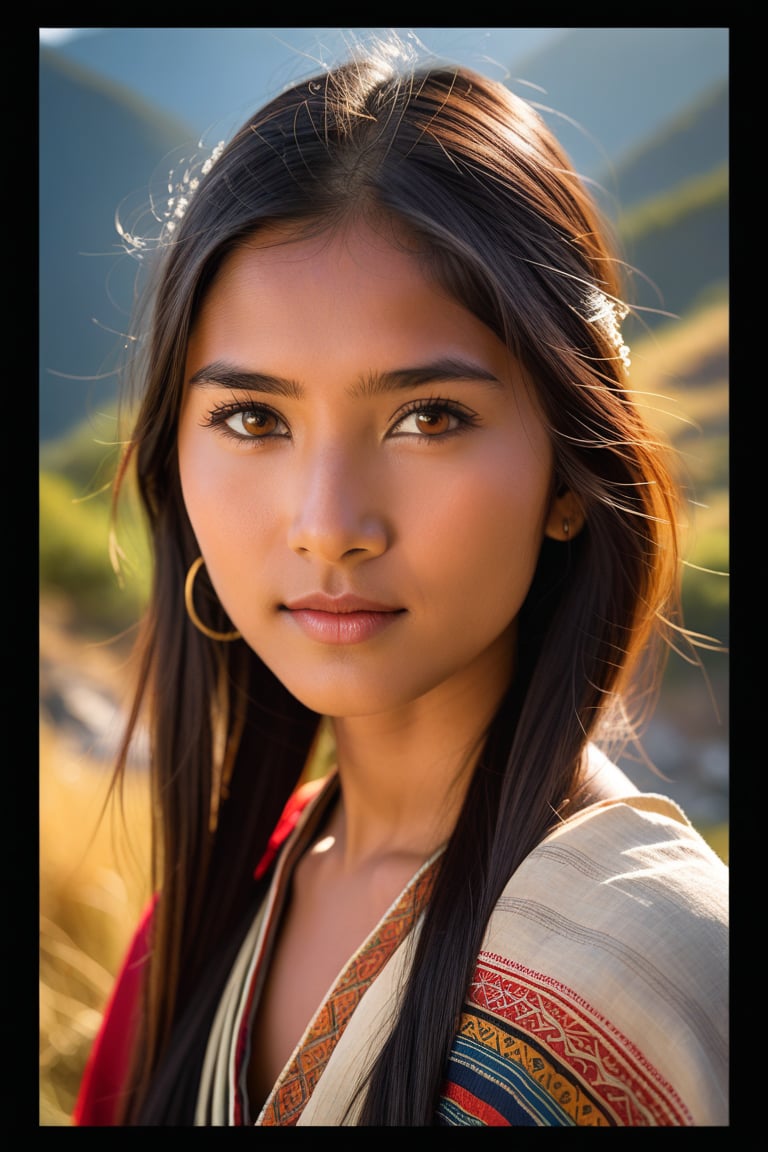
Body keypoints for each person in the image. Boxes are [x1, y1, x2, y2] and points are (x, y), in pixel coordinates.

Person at [71, 36, 728, 1127]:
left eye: (429, 419)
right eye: (253, 419)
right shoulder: (188, 941)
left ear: (570, 473)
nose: (329, 525)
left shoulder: (666, 977)